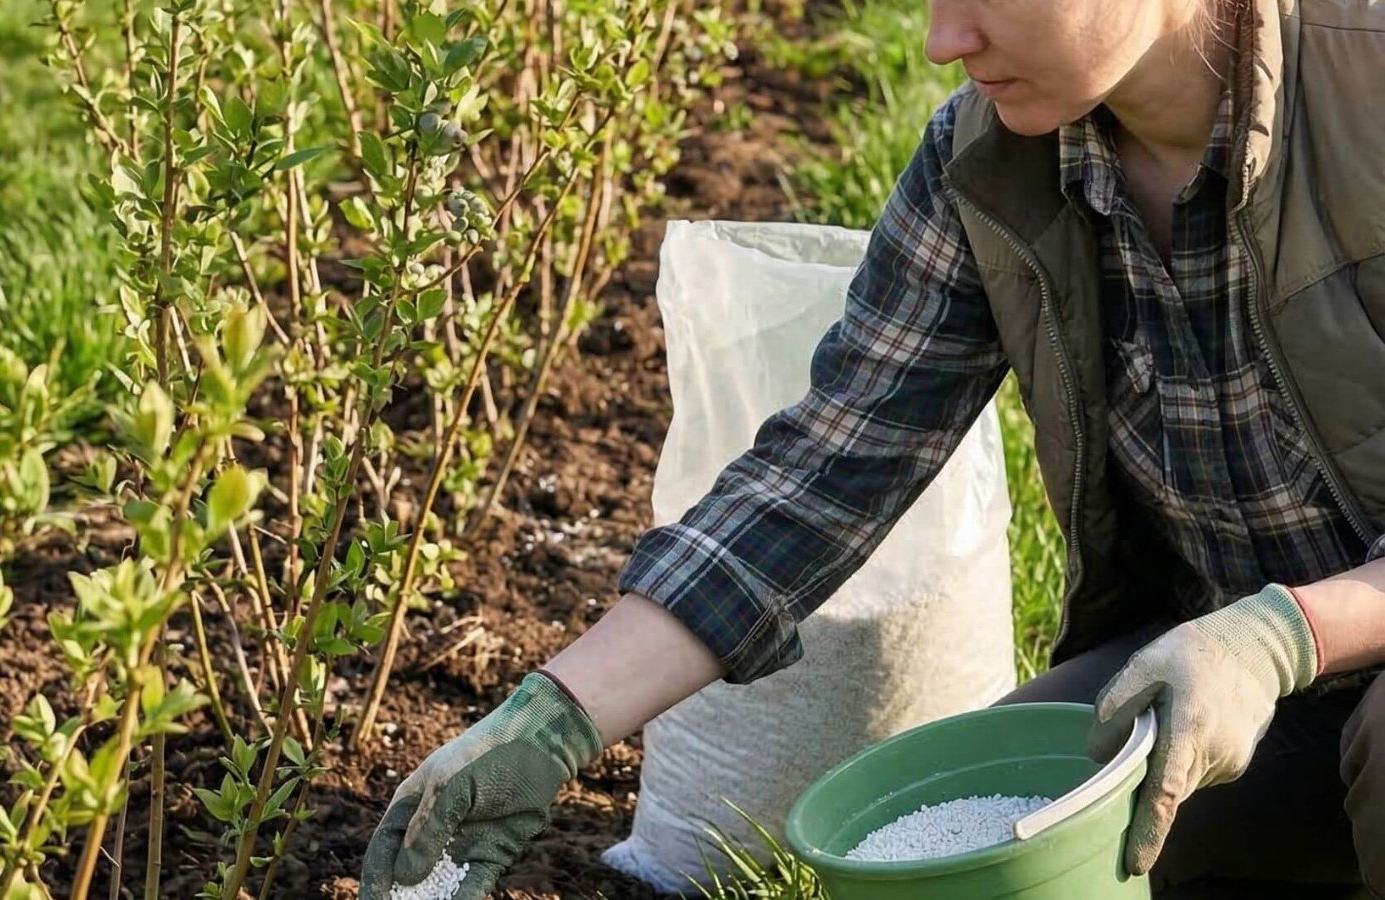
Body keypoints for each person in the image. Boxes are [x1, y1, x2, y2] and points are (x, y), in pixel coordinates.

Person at [360, 0, 1385, 896]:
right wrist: (556, 721)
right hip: (1220, 692)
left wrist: (1281, 635)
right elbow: (824, 472)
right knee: (981, 828)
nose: (944, 38)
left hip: (1317, 670)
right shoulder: (987, 167)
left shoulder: (1367, 88)